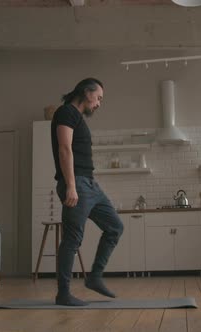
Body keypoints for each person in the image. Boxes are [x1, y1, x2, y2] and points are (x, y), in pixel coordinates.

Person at [51, 78, 124, 306]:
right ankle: (63, 293)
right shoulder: (66, 112)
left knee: (115, 227)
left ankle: (94, 277)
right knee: (72, 238)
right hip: (77, 184)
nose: (99, 103)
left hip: (90, 185)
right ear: (86, 92)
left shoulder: (78, 118)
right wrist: (71, 185)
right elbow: (64, 149)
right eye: (99, 97)